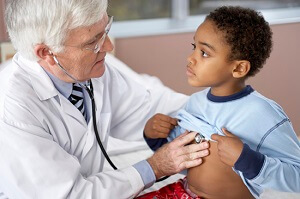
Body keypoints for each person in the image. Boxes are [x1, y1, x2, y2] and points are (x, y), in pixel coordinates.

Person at [0, 0, 210, 198]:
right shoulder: (11, 107)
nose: (108, 46)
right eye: (93, 42)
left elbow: (152, 108)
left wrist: (216, 110)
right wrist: (154, 167)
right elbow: (69, 195)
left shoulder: (90, 73)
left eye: (105, 32)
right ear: (47, 52)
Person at [141, 6, 300, 199]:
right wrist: (154, 135)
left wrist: (248, 160)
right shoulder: (195, 103)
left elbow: (296, 176)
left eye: (204, 53)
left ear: (239, 68)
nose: (190, 58)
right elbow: (180, 157)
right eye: (194, 48)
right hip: (183, 192)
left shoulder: (262, 114)